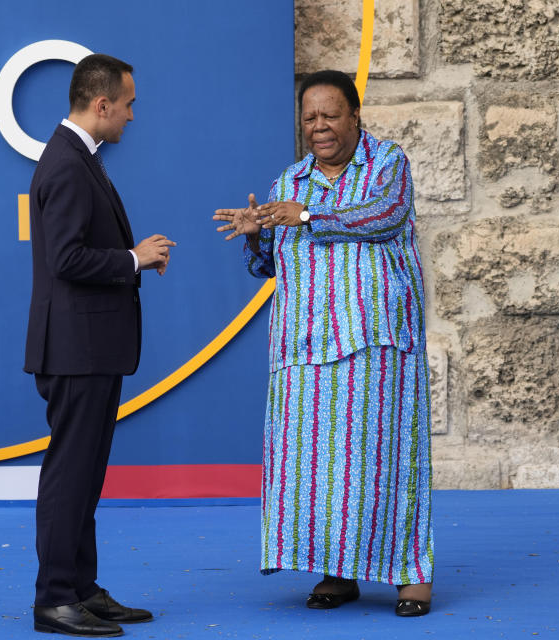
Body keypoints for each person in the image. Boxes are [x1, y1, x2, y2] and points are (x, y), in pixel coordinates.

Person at [213, 69, 434, 617]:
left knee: (387, 461)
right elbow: (269, 267)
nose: (320, 127)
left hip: (375, 344)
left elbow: (383, 217)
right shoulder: (287, 183)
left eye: (330, 115)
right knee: (322, 471)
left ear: (355, 116)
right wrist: (257, 234)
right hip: (306, 351)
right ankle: (338, 571)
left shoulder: (388, 164)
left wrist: (308, 214)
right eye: (309, 118)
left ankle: (411, 575)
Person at [24, 53, 175, 637]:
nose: (132, 116)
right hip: (76, 349)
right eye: (129, 104)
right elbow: (65, 259)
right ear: (102, 104)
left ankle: (81, 589)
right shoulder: (65, 164)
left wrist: (133, 256)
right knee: (70, 472)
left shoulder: (79, 158)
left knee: (85, 473)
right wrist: (133, 259)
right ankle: (55, 598)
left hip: (89, 347)